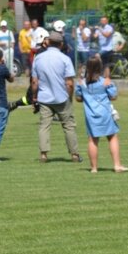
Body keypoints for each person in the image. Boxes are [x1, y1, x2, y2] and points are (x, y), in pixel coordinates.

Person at [30, 31, 82, 163]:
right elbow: (69, 83)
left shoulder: (38, 58)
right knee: (68, 126)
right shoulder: (65, 59)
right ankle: (74, 154)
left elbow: (34, 82)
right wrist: (69, 97)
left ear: (48, 42)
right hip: (62, 97)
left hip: (44, 98)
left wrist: (35, 97)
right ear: (61, 44)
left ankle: (43, 154)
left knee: (44, 126)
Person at [75, 54, 128, 173]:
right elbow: (114, 97)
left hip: (90, 115)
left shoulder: (81, 83)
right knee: (112, 137)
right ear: (101, 68)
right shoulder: (105, 82)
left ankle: (94, 168)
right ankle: (117, 165)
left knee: (92, 140)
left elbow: (78, 98)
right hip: (105, 113)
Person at [9, 29, 49, 113]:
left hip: (39, 79)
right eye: (47, 38)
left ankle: (15, 104)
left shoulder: (43, 50)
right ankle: (14, 104)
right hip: (37, 79)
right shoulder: (42, 52)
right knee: (30, 99)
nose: (49, 40)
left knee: (34, 98)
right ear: (42, 40)